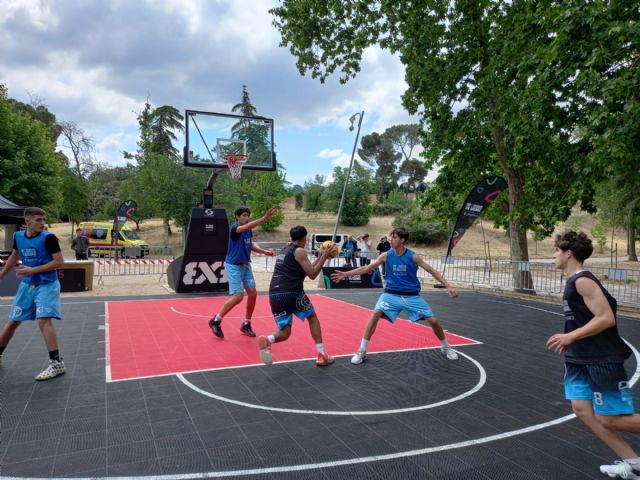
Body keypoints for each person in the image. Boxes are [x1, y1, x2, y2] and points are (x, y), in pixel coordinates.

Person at [546, 231, 640, 479]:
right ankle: (635, 464)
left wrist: (571, 336)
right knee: (582, 410)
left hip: (601, 358)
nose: (553, 255)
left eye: (557, 250)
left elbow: (606, 318)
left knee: (611, 420)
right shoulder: (572, 281)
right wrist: (572, 340)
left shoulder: (583, 280)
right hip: (578, 358)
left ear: (569, 253)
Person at [331, 227, 459, 364]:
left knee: (433, 321)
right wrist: (345, 274)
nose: (391, 240)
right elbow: (366, 268)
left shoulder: (413, 256)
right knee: (375, 314)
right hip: (391, 294)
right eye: (391, 237)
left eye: (394, 237)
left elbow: (431, 270)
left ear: (402, 240)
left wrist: (448, 286)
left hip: (411, 295)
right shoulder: (386, 255)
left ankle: (445, 347)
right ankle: (361, 350)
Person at [0, 207, 66, 380]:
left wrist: (33, 269)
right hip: (28, 285)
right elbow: (14, 256)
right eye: (38, 220)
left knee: (43, 320)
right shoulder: (18, 237)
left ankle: (57, 364)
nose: (43, 223)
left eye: (44, 219)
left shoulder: (49, 238)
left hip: (47, 284)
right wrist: (1, 275)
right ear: (27, 221)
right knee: (14, 320)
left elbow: (59, 262)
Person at [258, 225, 335, 366]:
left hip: (275, 295)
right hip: (292, 292)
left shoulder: (285, 250)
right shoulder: (299, 251)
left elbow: (306, 270)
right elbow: (312, 275)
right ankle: (321, 354)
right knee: (312, 317)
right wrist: (324, 256)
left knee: (285, 332)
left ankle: (268, 339)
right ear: (304, 238)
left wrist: (319, 258)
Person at [208, 207, 276, 339]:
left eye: (248, 216)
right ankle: (215, 320)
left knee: (253, 294)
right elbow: (247, 226)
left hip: (245, 265)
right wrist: (264, 218)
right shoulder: (235, 229)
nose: (247, 218)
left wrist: (264, 252)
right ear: (237, 217)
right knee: (238, 297)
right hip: (233, 266)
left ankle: (246, 324)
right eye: (244, 215)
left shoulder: (248, 230)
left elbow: (249, 245)